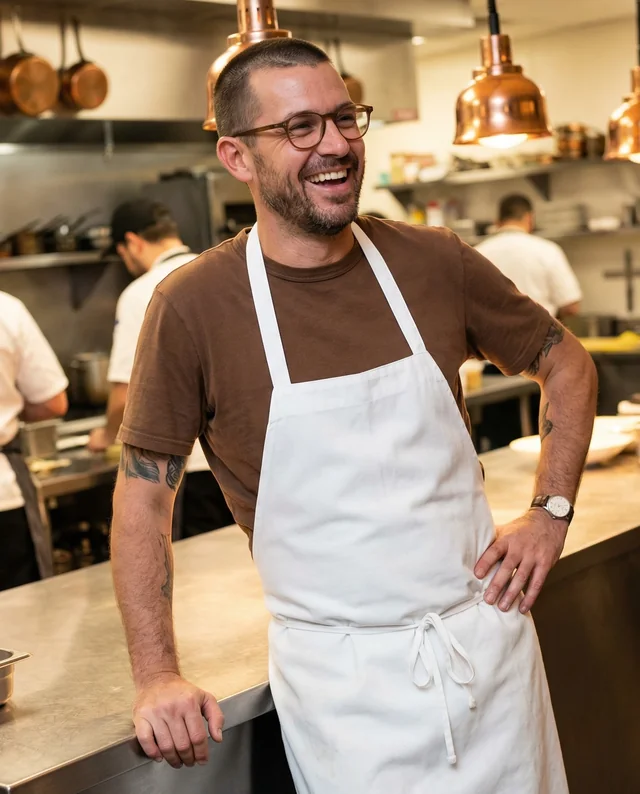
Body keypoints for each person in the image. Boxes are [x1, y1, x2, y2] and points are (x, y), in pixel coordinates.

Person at [110, 39, 597, 793]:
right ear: (237, 157)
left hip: (488, 659)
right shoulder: (193, 305)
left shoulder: (434, 261)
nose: (335, 145)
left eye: (345, 118)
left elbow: (566, 360)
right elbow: (143, 497)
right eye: (300, 128)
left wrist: (551, 508)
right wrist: (156, 675)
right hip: (343, 693)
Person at [88, 198, 233, 537]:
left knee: (199, 581)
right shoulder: (225, 274)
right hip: (241, 462)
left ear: (133, 243)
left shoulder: (142, 293)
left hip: (187, 468)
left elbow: (124, 396)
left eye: (122, 254)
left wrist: (105, 436)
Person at [0, 291, 68, 591]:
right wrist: (10, 408)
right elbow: (52, 402)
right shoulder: (7, 310)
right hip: (3, 496)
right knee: (16, 617)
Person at [474, 194, 583, 319]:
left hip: (490, 336)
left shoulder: (477, 253)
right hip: (539, 334)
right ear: (530, 218)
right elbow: (571, 306)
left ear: (497, 222)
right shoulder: (547, 250)